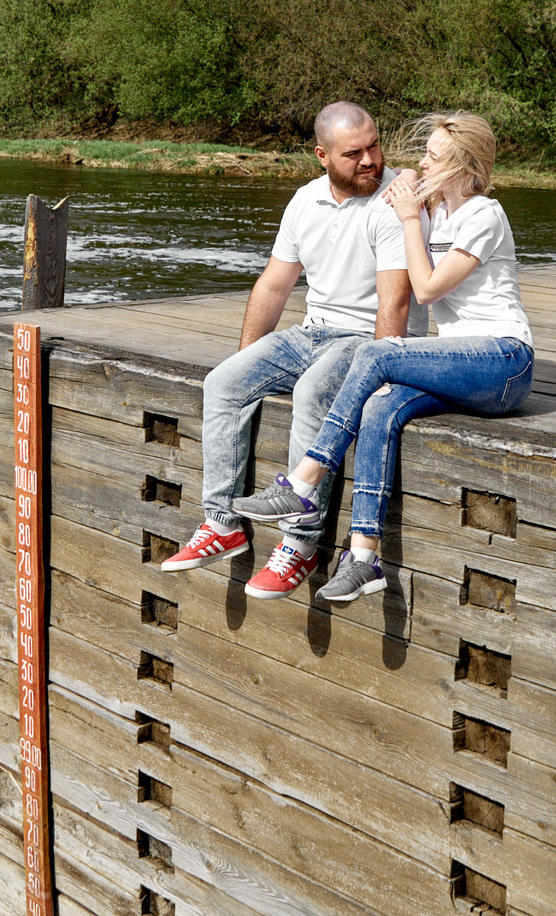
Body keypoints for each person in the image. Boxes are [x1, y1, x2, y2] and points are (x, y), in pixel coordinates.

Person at [233, 112, 535, 604]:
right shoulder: (435, 210)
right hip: (457, 362)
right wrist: (414, 201)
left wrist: (408, 215)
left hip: (504, 361)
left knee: (376, 355)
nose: (419, 162)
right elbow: (403, 194)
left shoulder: (484, 214)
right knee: (379, 407)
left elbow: (427, 288)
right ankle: (364, 556)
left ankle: (305, 480)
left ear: (460, 167)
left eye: (432, 157)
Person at [158, 101, 424, 597]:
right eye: (353, 154)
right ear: (322, 156)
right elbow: (274, 287)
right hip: (312, 331)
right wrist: (246, 361)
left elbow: (397, 302)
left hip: (364, 340)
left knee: (310, 394)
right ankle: (223, 524)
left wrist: (384, 375)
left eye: (374, 146)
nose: (370, 160)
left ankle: (299, 546)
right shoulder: (304, 201)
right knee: (223, 382)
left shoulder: (394, 203)